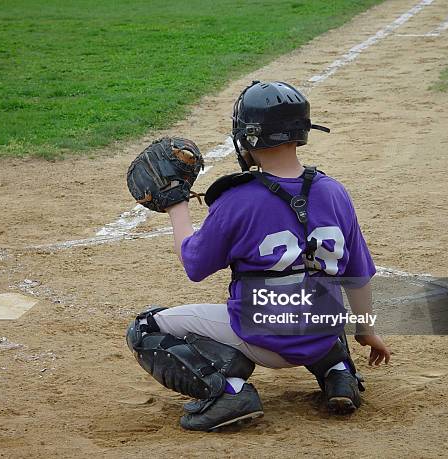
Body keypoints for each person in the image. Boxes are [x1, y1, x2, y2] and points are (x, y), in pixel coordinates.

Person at [126, 81, 391, 432]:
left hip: (262, 342)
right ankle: (338, 370)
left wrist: (177, 205)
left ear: (249, 138)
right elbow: (358, 274)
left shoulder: (237, 199)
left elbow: (194, 265)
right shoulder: (335, 192)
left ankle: (229, 391)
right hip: (323, 336)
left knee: (145, 328)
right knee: (317, 294)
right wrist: (366, 332)